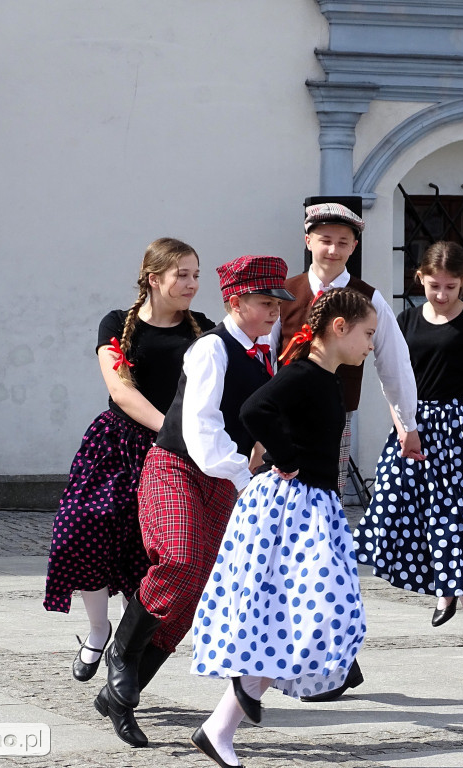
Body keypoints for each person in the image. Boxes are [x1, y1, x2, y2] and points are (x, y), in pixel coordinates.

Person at [95, 255, 293, 748]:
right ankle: (121, 653)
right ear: (236, 302)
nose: (274, 311)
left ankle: (122, 695)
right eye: (266, 302)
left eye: (277, 303)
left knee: (191, 597)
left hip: (222, 480)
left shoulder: (266, 346)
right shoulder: (211, 348)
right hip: (178, 466)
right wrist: (249, 473)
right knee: (179, 561)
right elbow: (200, 432)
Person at [190, 287, 375, 768]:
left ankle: (223, 721)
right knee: (317, 613)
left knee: (303, 616)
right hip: (292, 509)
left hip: (313, 507)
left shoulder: (324, 377)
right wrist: (286, 459)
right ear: (340, 328)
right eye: (367, 334)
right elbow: (255, 411)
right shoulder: (305, 374)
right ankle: (237, 700)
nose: (370, 345)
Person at [43, 238, 212, 683]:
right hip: (116, 444)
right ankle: (98, 630)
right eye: (183, 274)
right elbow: (121, 390)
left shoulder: (203, 331)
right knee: (78, 530)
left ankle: (125, 648)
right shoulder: (117, 323)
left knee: (144, 553)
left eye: (197, 274)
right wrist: (170, 428)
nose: (193, 283)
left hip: (174, 456)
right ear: (154, 279)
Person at [274, 202, 422, 703]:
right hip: (277, 426)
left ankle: (330, 652)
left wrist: (407, 423)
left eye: (343, 242)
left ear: (354, 246)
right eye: (325, 239)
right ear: (308, 239)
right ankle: (328, 652)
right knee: (286, 535)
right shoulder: (286, 293)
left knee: (316, 531)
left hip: (332, 427)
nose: (333, 249)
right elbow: (262, 356)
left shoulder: (367, 298)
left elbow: (393, 362)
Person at [354, 241, 463, 689]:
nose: (440, 294)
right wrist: (405, 426)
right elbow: (393, 383)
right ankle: (440, 591)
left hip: (462, 436)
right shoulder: (404, 321)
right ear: (419, 278)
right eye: (433, 285)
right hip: (415, 432)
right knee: (390, 523)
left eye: (449, 286)